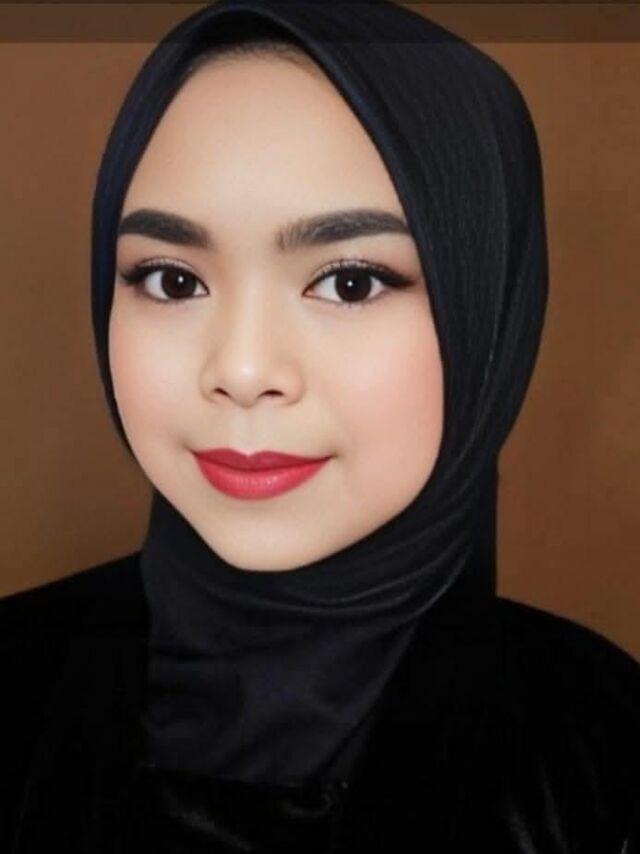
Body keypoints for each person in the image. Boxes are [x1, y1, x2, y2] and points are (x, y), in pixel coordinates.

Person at [2, 0, 639, 851]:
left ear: (487, 308)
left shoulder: (605, 756)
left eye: (349, 282)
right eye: (172, 280)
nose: (242, 370)